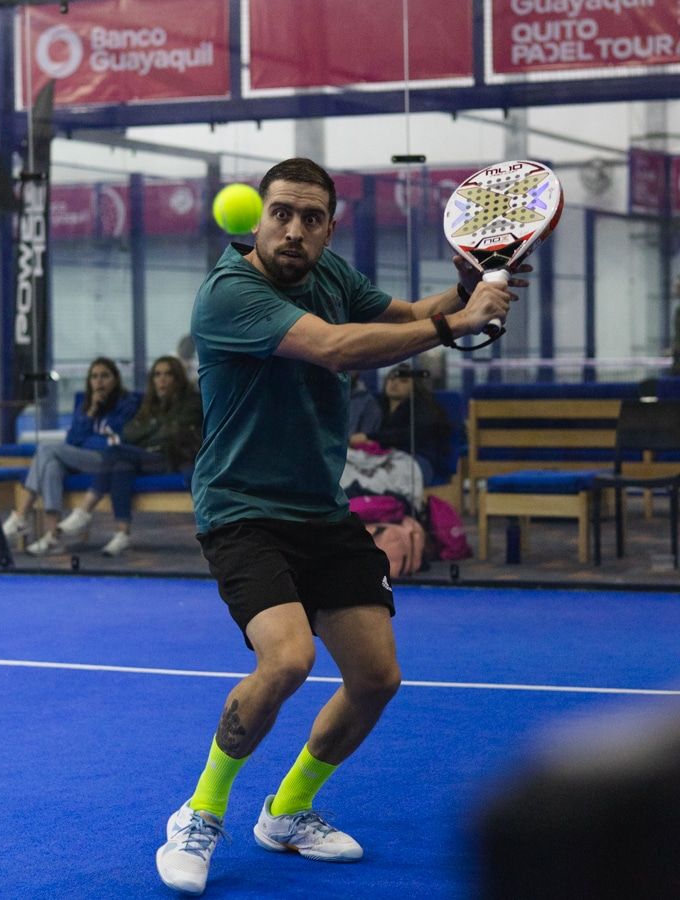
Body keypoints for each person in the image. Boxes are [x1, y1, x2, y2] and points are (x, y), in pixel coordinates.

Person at [155, 157, 529, 896]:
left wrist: (465, 289)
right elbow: (334, 347)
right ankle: (200, 811)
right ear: (257, 219)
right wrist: (458, 322)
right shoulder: (231, 293)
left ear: (331, 225)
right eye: (281, 214)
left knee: (376, 677)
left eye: (311, 217)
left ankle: (287, 811)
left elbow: (401, 315)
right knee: (287, 660)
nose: (294, 229)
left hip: (320, 511)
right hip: (241, 509)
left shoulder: (333, 276)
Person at [56, 355, 203, 557]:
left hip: (175, 458)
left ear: (177, 378)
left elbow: (173, 434)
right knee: (120, 465)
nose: (162, 380)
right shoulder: (149, 404)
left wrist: (151, 430)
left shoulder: (191, 401)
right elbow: (129, 434)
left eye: (168, 374)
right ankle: (122, 534)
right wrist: (155, 430)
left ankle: (85, 509)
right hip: (147, 457)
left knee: (115, 452)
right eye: (157, 375)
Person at [2, 357, 140, 556]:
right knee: (50, 466)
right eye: (94, 377)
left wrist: (88, 440)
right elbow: (73, 439)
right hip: (81, 457)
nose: (99, 381)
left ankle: (21, 515)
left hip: (108, 460)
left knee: (46, 449)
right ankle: (52, 537)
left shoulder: (127, 404)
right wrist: (92, 411)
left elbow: (117, 438)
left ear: (116, 379)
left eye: (104, 376)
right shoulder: (85, 405)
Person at [351, 362, 452, 485]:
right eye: (391, 379)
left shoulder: (422, 408)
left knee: (379, 479)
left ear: (415, 386)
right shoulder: (376, 407)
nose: (395, 383)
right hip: (381, 458)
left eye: (403, 380)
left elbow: (408, 435)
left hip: (416, 459)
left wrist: (370, 438)